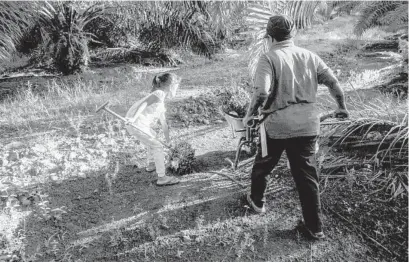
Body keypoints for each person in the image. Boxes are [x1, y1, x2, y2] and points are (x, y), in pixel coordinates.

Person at [243, 15, 349, 240]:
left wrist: (250, 115)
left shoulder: (268, 58)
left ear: (269, 37)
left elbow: (262, 92)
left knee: (263, 165)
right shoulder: (310, 56)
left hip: (277, 127)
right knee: (307, 176)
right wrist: (341, 107)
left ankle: (257, 203)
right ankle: (315, 227)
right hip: (308, 126)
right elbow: (333, 84)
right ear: (293, 35)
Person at [125, 72, 181, 186]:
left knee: (153, 136)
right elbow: (143, 104)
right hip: (136, 123)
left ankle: (151, 164)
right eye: (176, 86)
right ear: (171, 86)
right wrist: (132, 118)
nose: (176, 89)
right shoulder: (159, 93)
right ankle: (162, 178)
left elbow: (164, 124)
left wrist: (168, 141)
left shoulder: (161, 102)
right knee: (157, 145)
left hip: (140, 124)